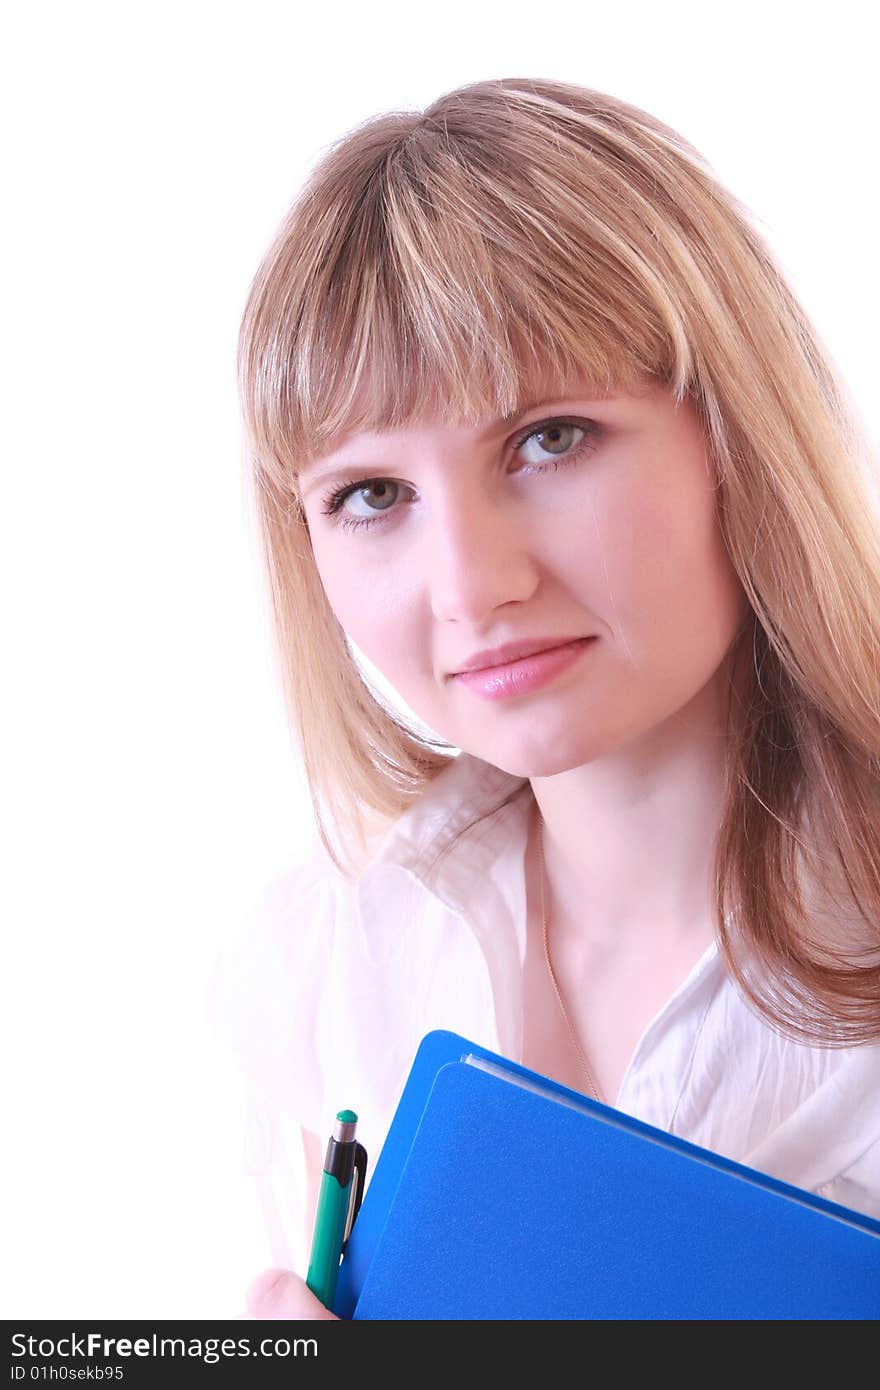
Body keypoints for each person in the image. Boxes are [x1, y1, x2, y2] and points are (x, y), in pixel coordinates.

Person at [209, 76, 880, 1321]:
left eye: (550, 438)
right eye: (371, 494)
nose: (470, 585)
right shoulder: (331, 962)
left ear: (737, 434)